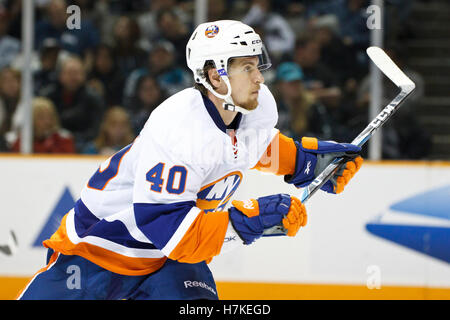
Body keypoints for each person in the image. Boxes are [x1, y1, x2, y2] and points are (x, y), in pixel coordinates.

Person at [18, 20, 363, 300]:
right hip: (97, 253)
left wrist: (305, 163)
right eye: (247, 68)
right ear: (215, 76)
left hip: (169, 261)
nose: (259, 77)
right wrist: (252, 220)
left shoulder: (253, 107)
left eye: (257, 66)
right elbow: (168, 229)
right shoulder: (178, 129)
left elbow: (253, 144)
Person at [10, 97, 75, 154]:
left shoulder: (63, 139)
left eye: (50, 116)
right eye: (41, 117)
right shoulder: (22, 141)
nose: (47, 121)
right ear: (31, 119)